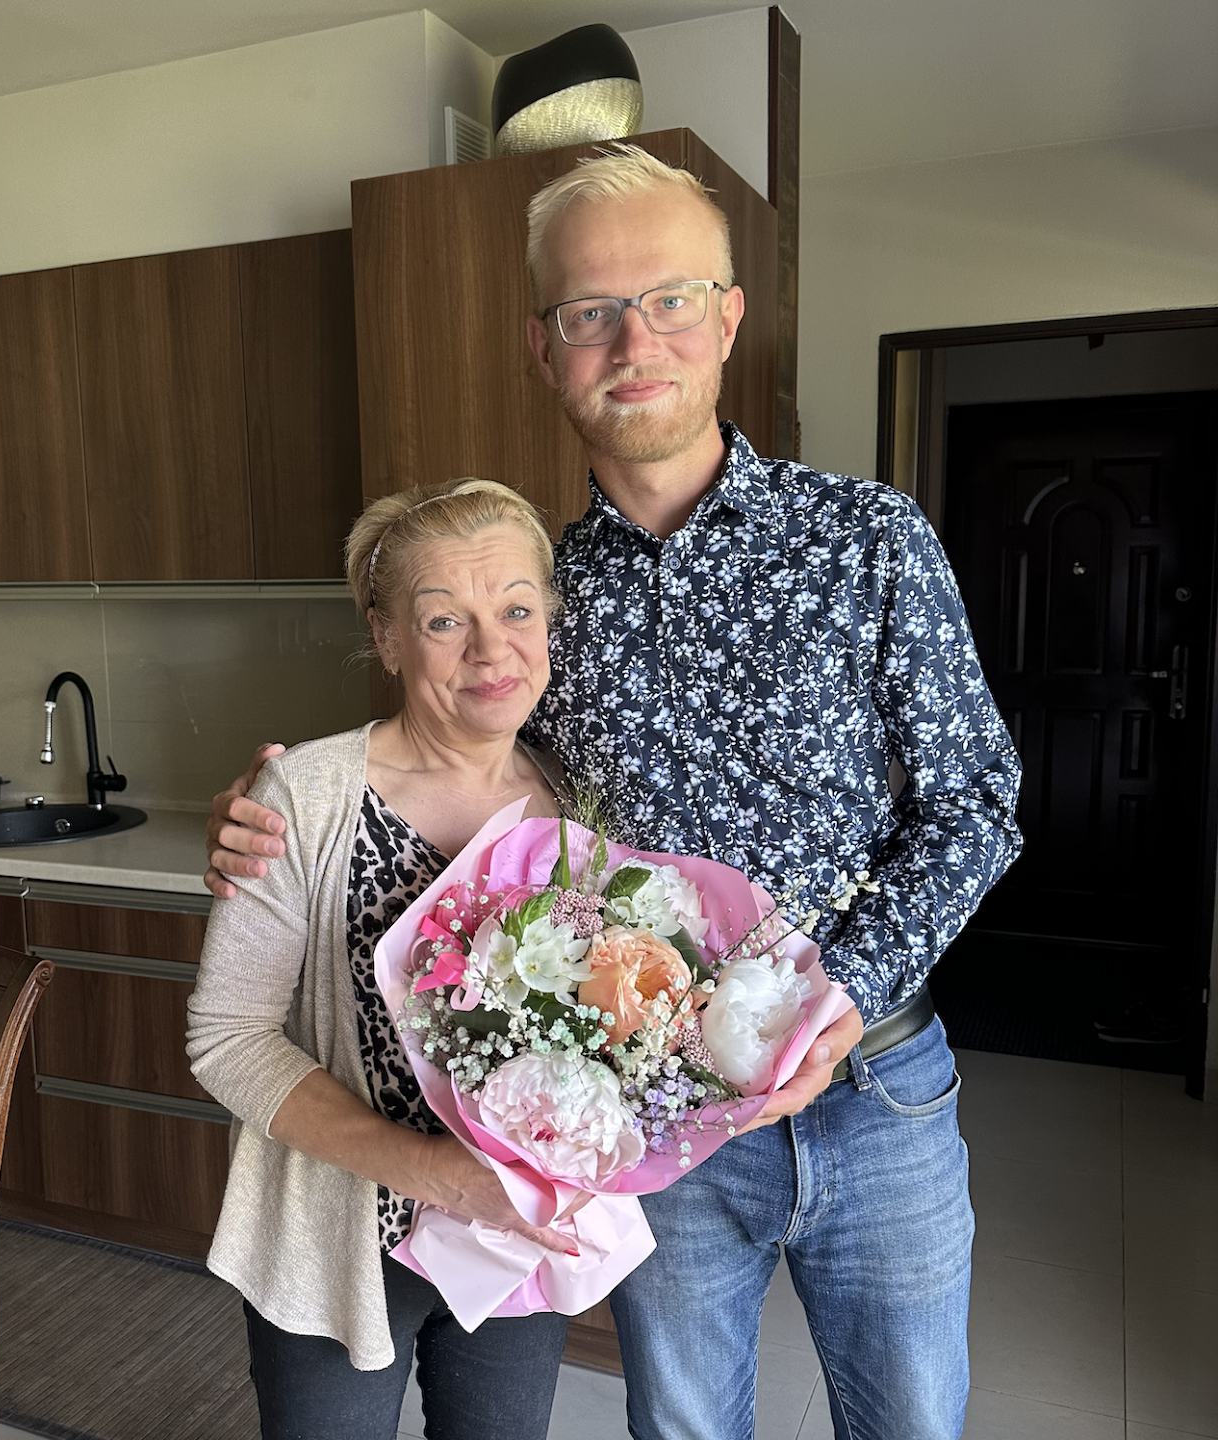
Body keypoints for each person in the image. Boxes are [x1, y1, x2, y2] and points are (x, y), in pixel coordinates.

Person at [206, 148, 1022, 1440]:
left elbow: (979, 801)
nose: (635, 341)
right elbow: (444, 748)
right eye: (591, 312)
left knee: (913, 1422)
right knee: (683, 1429)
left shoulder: (870, 541)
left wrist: (844, 988)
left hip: (877, 1090)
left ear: (729, 318)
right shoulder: (539, 601)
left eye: (672, 299)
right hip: (656, 1124)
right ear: (546, 349)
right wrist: (274, 811)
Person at [188, 480, 586, 1440]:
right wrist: (433, 1173)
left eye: (517, 609)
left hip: (515, 1241)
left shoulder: (579, 797)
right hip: (337, 1239)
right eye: (445, 620)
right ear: (389, 636)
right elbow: (225, 1037)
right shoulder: (307, 794)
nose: (492, 649)